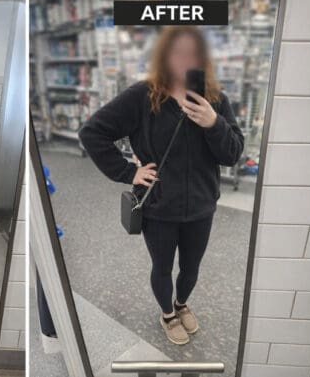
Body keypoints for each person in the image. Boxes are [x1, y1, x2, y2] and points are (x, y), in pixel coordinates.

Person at [78, 26, 244, 345]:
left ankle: (181, 304)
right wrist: (128, 172)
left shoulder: (215, 100)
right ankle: (168, 314)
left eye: (193, 53)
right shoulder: (143, 96)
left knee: (191, 267)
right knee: (163, 267)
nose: (186, 60)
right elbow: (92, 132)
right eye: (178, 52)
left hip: (201, 205)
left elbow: (233, 153)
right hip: (159, 206)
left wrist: (213, 122)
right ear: (164, 56)